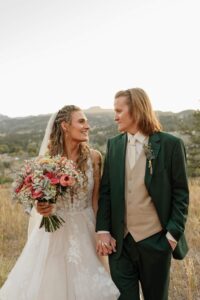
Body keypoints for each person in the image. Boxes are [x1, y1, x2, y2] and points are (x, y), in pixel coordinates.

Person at [0, 105, 119, 300]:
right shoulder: (46, 161)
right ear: (64, 126)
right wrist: (43, 206)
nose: (87, 126)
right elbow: (41, 199)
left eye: (86, 121)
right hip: (54, 233)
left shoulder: (94, 157)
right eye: (81, 121)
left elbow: (96, 201)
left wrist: (101, 232)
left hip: (86, 229)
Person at [96, 88, 189, 300]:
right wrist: (103, 229)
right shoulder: (114, 145)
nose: (115, 116)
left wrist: (172, 236)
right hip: (120, 244)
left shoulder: (170, 145)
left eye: (119, 110)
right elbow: (106, 191)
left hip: (156, 242)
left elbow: (181, 194)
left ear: (136, 110)